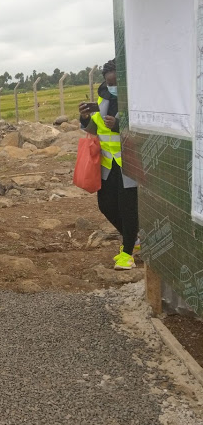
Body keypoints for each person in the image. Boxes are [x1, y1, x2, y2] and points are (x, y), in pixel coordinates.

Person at [78, 58, 139, 270]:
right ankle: (134, 240)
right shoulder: (103, 99)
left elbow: (144, 129)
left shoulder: (135, 99)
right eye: (108, 82)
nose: (112, 87)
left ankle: (127, 253)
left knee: (128, 208)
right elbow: (94, 129)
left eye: (115, 83)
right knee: (106, 205)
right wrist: (85, 118)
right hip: (108, 164)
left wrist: (119, 125)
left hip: (130, 164)